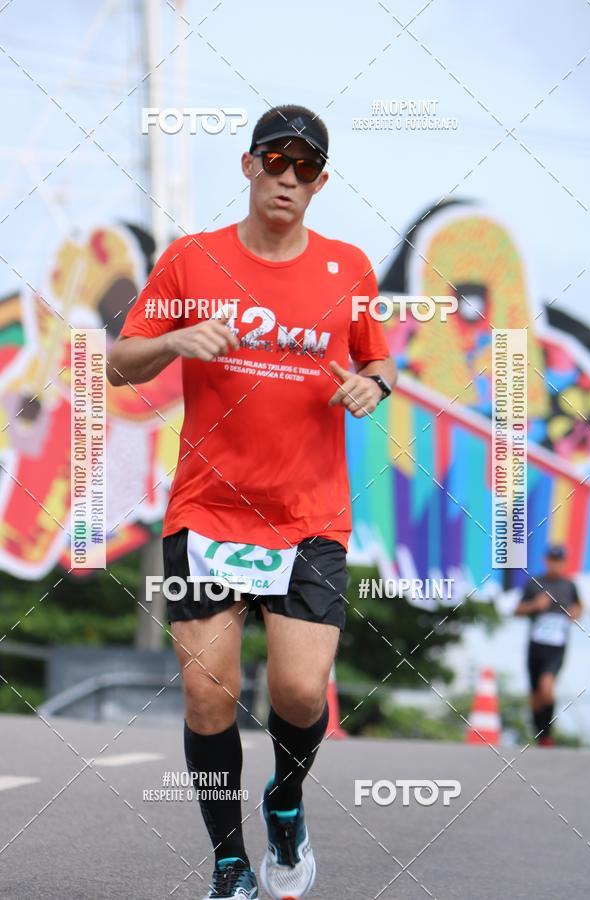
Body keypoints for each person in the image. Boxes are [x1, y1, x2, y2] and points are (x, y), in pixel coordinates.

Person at [107, 103, 397, 899]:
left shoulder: (349, 269)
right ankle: (230, 864)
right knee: (209, 694)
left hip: (309, 515)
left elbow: (378, 363)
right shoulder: (192, 261)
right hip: (208, 512)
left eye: (306, 167)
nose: (289, 178)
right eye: (277, 160)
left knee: (302, 693)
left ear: (321, 182)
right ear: (249, 165)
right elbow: (117, 364)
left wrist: (372, 388)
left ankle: (285, 800)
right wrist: (172, 340)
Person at [514, 545, 583, 747]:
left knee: (547, 688)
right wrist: (534, 606)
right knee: (535, 694)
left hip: (556, 647)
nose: (555, 564)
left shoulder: (569, 585)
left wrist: (575, 613)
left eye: (559, 560)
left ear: (564, 562)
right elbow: (517, 610)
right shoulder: (534, 584)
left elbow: (579, 606)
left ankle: (547, 735)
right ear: (546, 561)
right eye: (552, 559)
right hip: (536, 646)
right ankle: (539, 733)